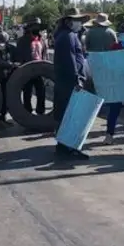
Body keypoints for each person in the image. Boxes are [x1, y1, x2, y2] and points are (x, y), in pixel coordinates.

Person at [52, 8, 91, 160]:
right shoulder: (67, 36)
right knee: (71, 115)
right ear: (68, 21)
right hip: (69, 82)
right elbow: (70, 61)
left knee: (66, 115)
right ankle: (68, 147)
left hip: (65, 81)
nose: (79, 23)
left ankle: (64, 146)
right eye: (77, 20)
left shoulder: (68, 35)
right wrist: (77, 80)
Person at [16, 18, 47, 114]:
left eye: (38, 26)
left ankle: (40, 111)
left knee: (41, 92)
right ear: (29, 27)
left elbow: (44, 54)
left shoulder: (42, 40)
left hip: (40, 69)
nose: (36, 28)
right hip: (28, 69)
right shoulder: (22, 41)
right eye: (34, 26)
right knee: (27, 92)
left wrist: (46, 68)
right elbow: (19, 56)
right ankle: (27, 112)